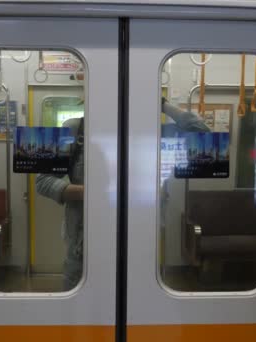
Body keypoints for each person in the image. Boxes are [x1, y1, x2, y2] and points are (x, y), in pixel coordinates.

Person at [36, 99, 210, 290]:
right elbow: (43, 181)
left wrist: (161, 103)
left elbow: (202, 133)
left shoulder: (153, 131)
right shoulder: (74, 129)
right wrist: (90, 193)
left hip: (138, 248)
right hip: (85, 249)